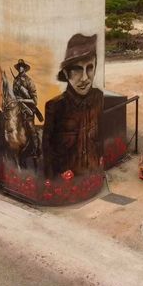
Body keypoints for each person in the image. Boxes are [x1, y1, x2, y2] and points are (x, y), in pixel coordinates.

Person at [42, 34, 104, 178]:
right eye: (77, 69)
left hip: (93, 177)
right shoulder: (56, 107)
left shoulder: (99, 98)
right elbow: (47, 150)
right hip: (67, 186)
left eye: (89, 68)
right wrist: (53, 178)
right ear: (66, 73)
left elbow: (101, 137)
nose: (84, 78)